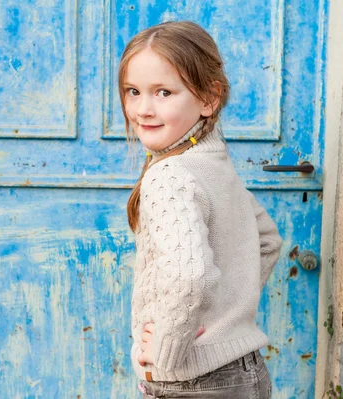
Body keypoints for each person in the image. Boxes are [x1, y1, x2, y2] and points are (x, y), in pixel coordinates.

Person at [118, 21, 283, 398]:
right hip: (246, 373)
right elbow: (268, 240)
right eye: (133, 91)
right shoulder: (212, 164)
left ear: (209, 98)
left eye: (163, 92)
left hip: (194, 383)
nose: (143, 108)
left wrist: (167, 352)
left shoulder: (169, 176)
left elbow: (187, 278)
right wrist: (226, 314)